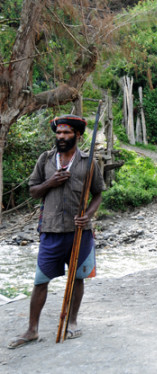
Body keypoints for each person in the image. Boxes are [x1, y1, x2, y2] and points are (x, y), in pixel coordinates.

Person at [8, 115, 104, 349]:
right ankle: (32, 330)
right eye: (58, 133)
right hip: (51, 229)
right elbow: (33, 191)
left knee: (77, 278)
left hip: (79, 231)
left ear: (77, 136)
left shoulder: (88, 162)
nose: (61, 137)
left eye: (66, 133)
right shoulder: (46, 160)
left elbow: (98, 193)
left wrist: (88, 215)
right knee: (41, 280)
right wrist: (50, 182)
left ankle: (71, 322)